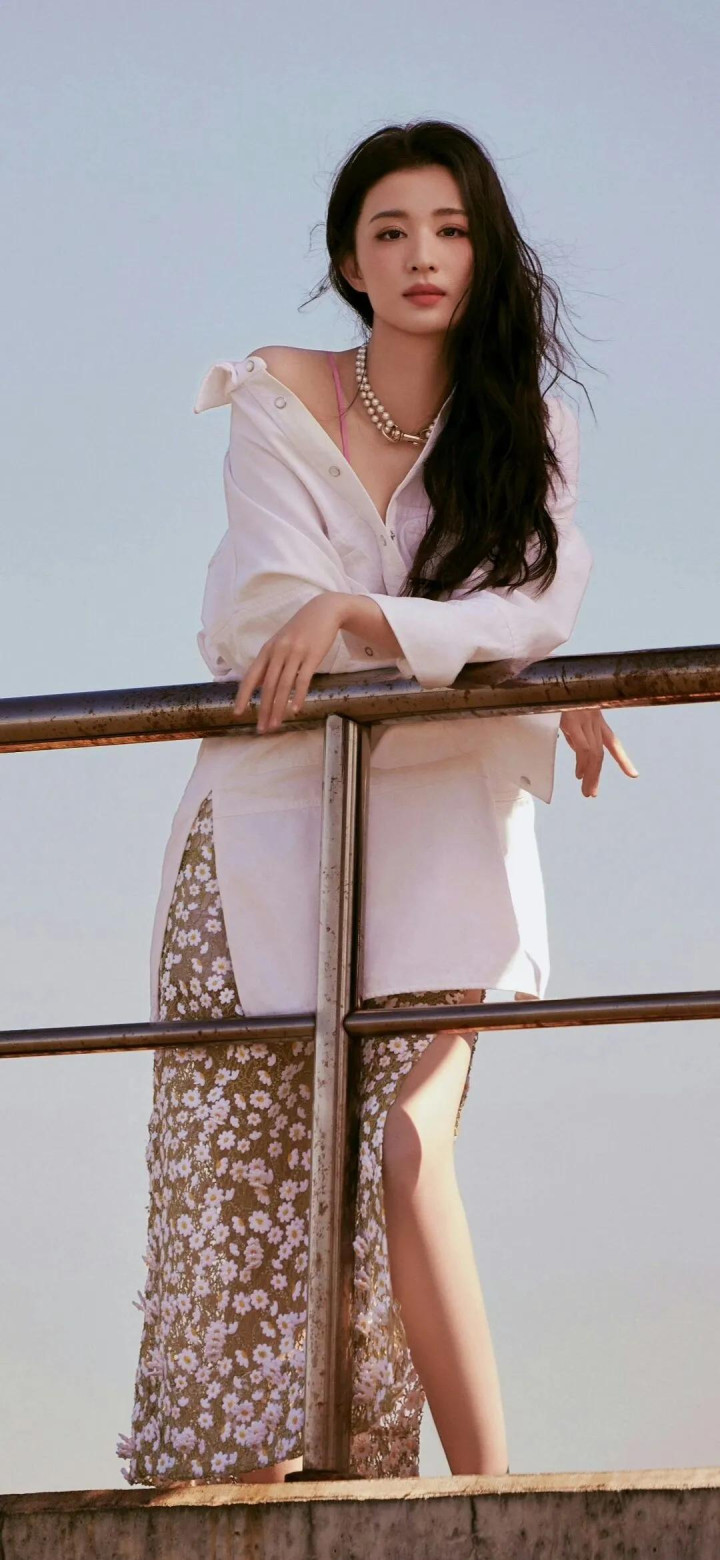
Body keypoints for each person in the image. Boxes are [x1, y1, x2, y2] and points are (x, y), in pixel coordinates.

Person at [117, 119, 638, 1488]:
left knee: (408, 1142)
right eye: (391, 230)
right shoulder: (279, 394)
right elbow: (264, 612)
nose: (423, 256)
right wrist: (470, 646)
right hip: (268, 814)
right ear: (349, 260)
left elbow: (535, 598)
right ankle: (253, 1485)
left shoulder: (529, 427)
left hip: (449, 821)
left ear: (486, 252)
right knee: (248, 1179)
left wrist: (414, 630)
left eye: (451, 230)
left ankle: (488, 1503)